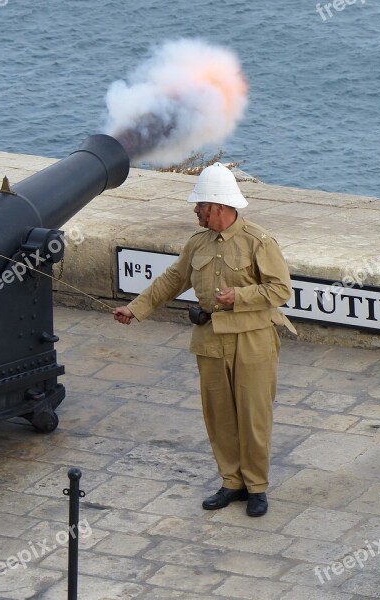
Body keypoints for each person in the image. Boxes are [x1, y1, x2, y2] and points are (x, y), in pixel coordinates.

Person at [113, 163, 295, 517]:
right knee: (219, 415)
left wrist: (239, 298)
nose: (195, 210)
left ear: (219, 206)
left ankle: (256, 486)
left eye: (200, 205)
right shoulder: (197, 242)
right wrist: (136, 309)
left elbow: (281, 289)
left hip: (253, 338)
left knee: (254, 414)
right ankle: (232, 482)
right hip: (211, 337)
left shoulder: (259, 241)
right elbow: (172, 280)